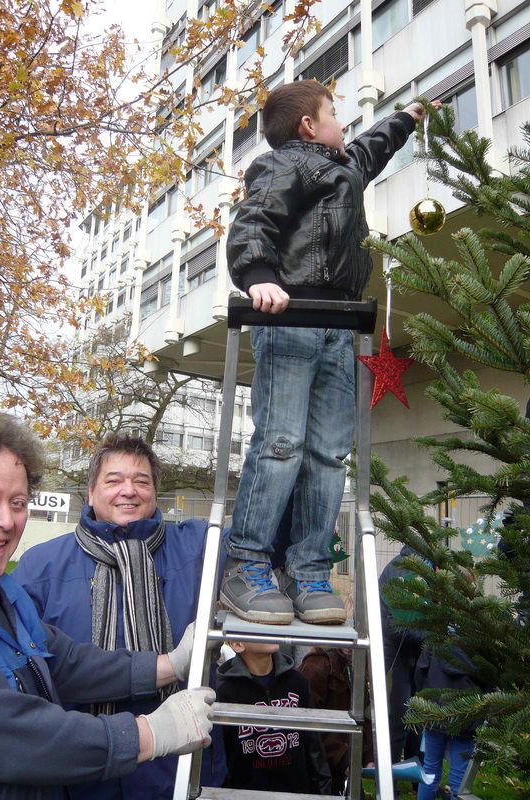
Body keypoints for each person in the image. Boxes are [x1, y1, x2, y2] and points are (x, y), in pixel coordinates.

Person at [223, 78, 442, 625]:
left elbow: (371, 146)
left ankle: (309, 568)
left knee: (327, 454)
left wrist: (409, 116)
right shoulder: (284, 166)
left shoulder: (343, 168)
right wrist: (258, 277)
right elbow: (255, 220)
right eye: (335, 115)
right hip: (292, 318)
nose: (344, 126)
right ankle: (247, 562)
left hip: (339, 326)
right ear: (308, 127)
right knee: (281, 443)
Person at [0, 412, 215, 800]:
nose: (6, 520)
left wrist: (170, 664)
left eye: (18, 503)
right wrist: (150, 734)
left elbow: (63, 663)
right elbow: (15, 739)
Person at [14, 432, 226, 800]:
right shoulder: (40, 567)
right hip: (82, 775)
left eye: (141, 481)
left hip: (183, 765)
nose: (128, 490)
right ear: (91, 492)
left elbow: (262, 535)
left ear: (155, 492)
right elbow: (32, 674)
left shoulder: (198, 547)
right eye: (114, 481)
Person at [216, 638, 332, 794]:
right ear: (238, 645)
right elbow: (220, 756)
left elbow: (314, 747)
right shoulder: (224, 691)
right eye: (258, 626)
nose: (269, 632)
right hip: (244, 794)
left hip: (296, 794)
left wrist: (323, 793)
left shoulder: (297, 682)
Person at [298, 644, 374, 795]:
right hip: (320, 770)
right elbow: (310, 724)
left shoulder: (360, 663)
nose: (351, 645)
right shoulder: (315, 667)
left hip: (348, 766)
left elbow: (365, 716)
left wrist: (369, 758)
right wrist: (344, 758)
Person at [379, 546, 427, 767]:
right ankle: (390, 782)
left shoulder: (419, 568)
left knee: (417, 717)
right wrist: (431, 638)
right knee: (399, 720)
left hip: (415, 652)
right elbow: (397, 625)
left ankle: (416, 776)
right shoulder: (402, 572)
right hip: (396, 653)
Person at [414, 647, 479, 800]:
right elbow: (489, 678)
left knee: (429, 770)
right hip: (466, 716)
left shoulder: (436, 638)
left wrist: (425, 699)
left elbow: (420, 671)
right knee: (459, 779)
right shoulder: (479, 642)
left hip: (434, 712)